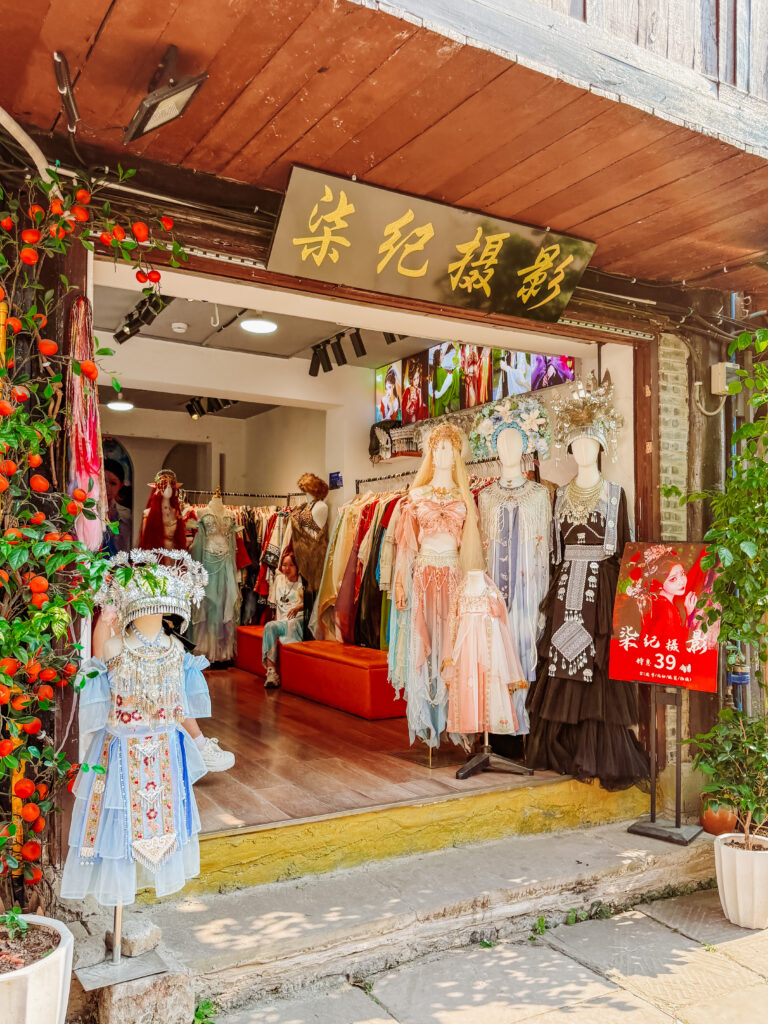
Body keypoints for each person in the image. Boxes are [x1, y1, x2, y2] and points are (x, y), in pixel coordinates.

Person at [263, 551, 305, 689]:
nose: (286, 568)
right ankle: (271, 672)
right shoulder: (279, 579)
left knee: (292, 625)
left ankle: (294, 672)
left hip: (297, 620)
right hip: (283, 621)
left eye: (291, 565)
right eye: (284, 565)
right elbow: (276, 606)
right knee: (270, 626)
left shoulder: (302, 582)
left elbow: (311, 603)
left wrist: (299, 607)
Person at [104, 458, 132, 553]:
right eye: (103, 481)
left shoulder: (126, 516)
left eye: (113, 483)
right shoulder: (87, 511)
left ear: (121, 485)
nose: (106, 487)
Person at [402, 359, 427, 423]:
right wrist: (410, 401)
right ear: (411, 380)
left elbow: (420, 409)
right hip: (408, 420)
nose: (417, 381)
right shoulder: (408, 391)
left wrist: (420, 395)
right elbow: (404, 410)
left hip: (416, 419)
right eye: (414, 379)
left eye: (418, 378)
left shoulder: (418, 390)